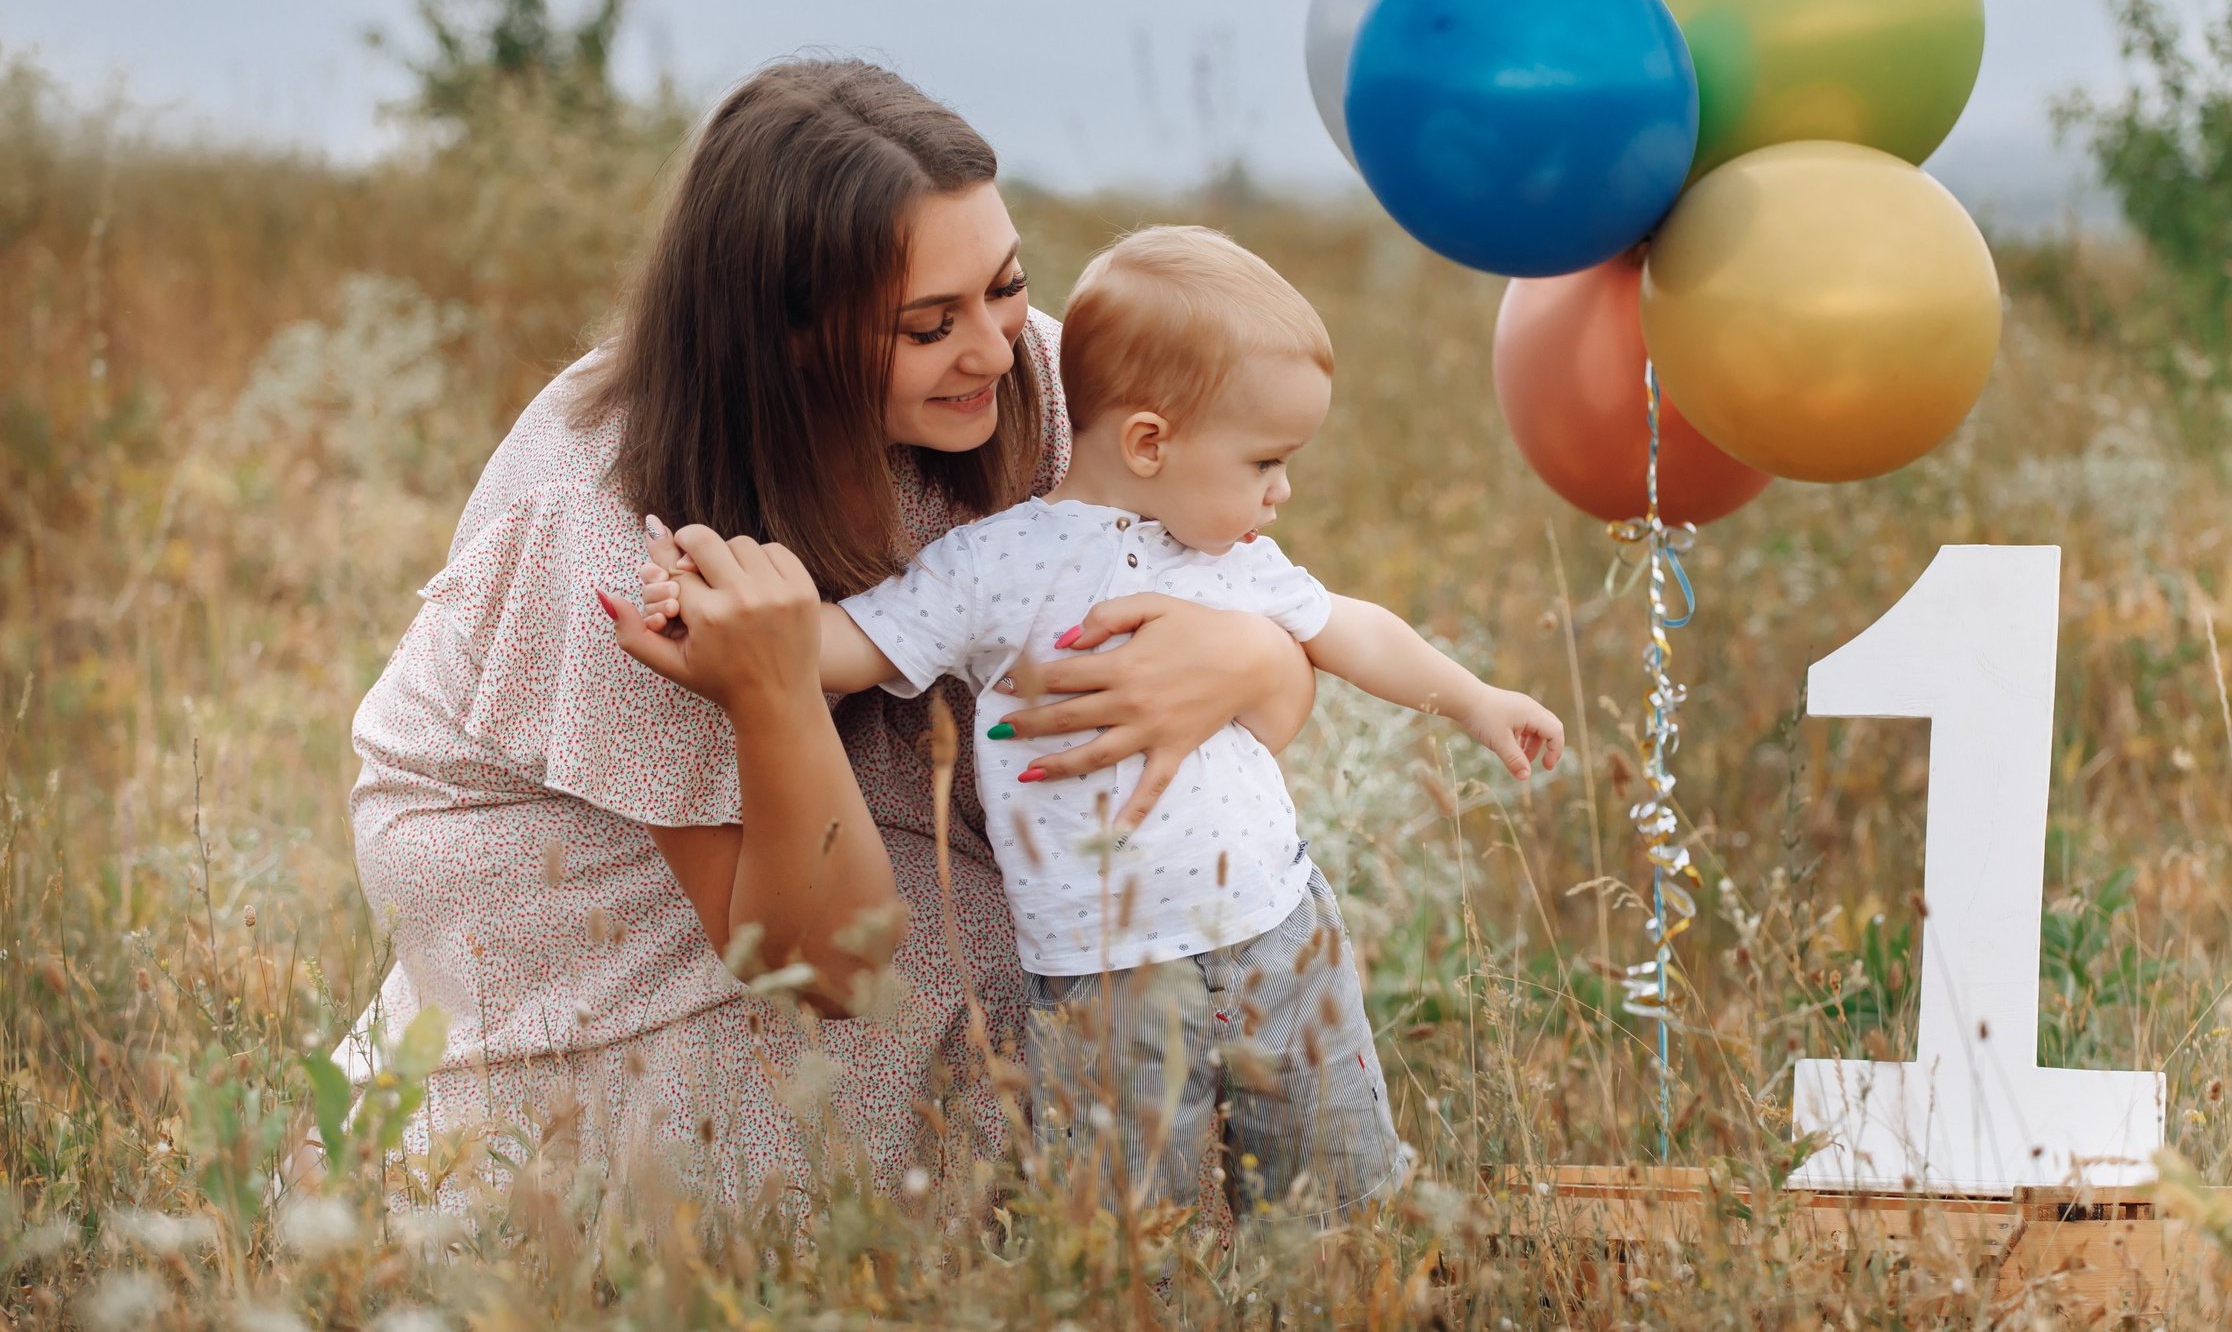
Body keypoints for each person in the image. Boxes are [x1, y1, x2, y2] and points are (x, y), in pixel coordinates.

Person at [342, 61, 1317, 1209]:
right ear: (786, 336)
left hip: (896, 846)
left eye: (1005, 286)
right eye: (927, 325)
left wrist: (1248, 659)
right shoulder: (617, 523)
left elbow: (1266, 688)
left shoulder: (1043, 379)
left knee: (1195, 920)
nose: (1000, 353)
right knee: (979, 996)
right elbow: (828, 965)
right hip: (627, 893)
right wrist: (772, 691)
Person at [625, 226, 1563, 1223]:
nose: (1281, 492)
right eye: (1266, 462)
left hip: (1282, 929)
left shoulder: (1224, 558)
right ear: (1150, 442)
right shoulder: (993, 567)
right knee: (1124, 1226)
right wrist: (720, 608)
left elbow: (1353, 632)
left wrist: (1474, 700)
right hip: (1103, 974)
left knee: (1335, 1199)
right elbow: (849, 645)